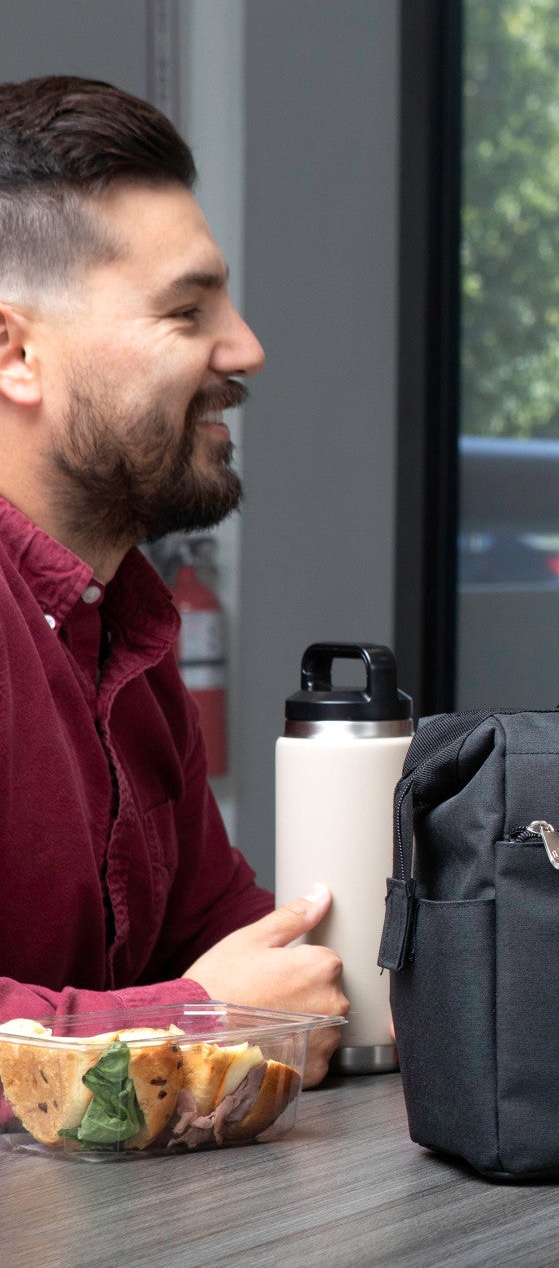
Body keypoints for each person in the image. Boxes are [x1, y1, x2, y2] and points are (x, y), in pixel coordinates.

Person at [0, 77, 345, 1082]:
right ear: (15, 351)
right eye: (188, 310)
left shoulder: (125, 626)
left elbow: (242, 948)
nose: (244, 348)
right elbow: (226, 996)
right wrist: (202, 1019)